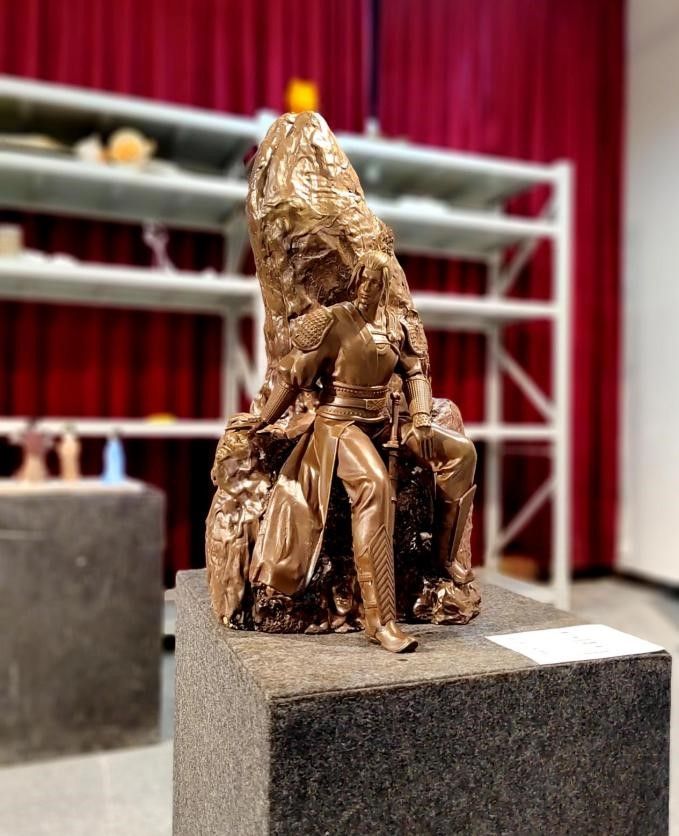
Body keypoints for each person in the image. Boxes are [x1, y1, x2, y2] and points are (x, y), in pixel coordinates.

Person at [250, 251, 476, 652]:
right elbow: (293, 376)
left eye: (377, 281)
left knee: (461, 453)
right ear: (356, 282)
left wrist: (422, 416)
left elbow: (415, 372)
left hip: (386, 418)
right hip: (339, 424)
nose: (370, 288)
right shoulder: (332, 321)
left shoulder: (395, 326)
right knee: (374, 486)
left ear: (386, 285)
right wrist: (264, 419)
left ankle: (444, 559)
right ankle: (380, 618)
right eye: (365, 280)